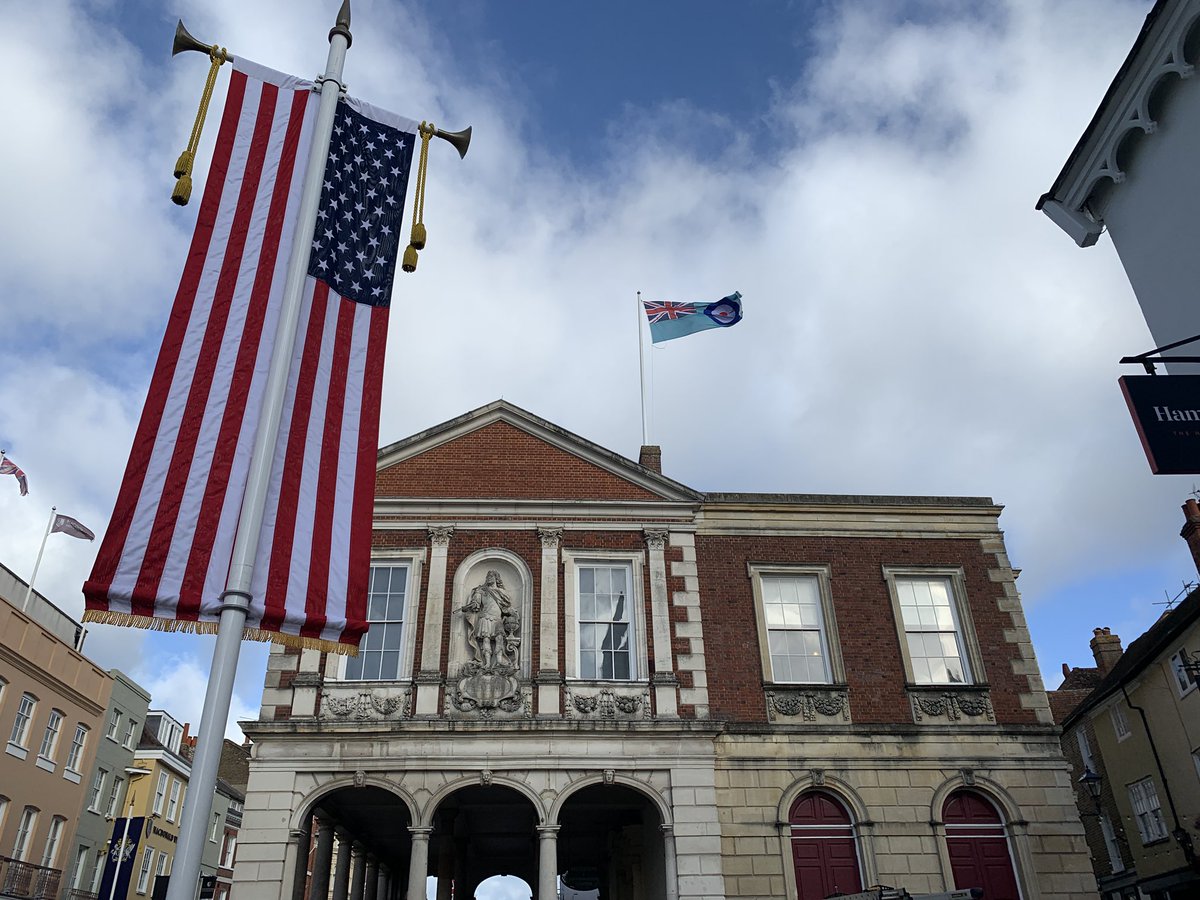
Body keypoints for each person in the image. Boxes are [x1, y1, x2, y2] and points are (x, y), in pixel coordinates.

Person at [463, 570, 513, 669]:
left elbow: (507, 603)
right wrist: (469, 606)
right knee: (486, 639)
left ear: (496, 578)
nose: (489, 578)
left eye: (491, 576)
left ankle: (499, 661)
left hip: (497, 618)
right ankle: (487, 663)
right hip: (485, 617)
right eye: (488, 576)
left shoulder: (501, 592)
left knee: (499, 638)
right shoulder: (481, 591)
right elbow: (476, 604)